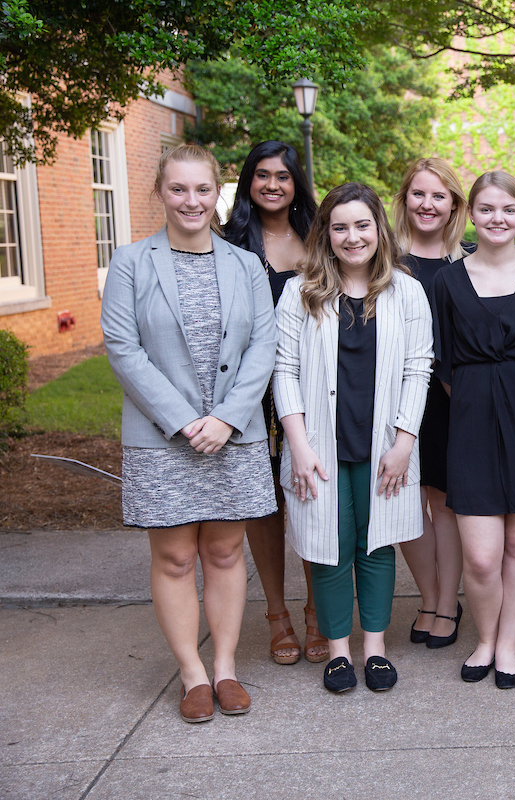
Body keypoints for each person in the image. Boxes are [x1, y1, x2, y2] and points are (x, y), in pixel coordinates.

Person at [101, 144, 278, 722]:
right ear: (160, 192)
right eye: (179, 189)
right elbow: (123, 350)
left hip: (235, 433)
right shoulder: (130, 262)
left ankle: (225, 666)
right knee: (176, 556)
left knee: (226, 551)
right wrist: (182, 420)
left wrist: (227, 417)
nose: (191, 201)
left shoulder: (246, 265)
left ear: (217, 193)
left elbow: (264, 347)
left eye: (202, 190)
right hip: (163, 439)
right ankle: (192, 672)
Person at [274, 182, 433, 694]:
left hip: (384, 447)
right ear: (326, 233)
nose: (352, 236)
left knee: (377, 543)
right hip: (319, 446)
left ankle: (375, 650)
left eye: (362, 225)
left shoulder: (406, 291)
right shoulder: (300, 292)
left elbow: (418, 369)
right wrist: (297, 445)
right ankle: (338, 652)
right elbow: (284, 371)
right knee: (329, 545)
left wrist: (405, 441)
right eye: (339, 226)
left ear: (378, 229)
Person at [433, 171, 515, 689]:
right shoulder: (447, 281)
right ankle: (484, 638)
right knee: (483, 555)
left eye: (508, 209)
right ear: (471, 215)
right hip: (469, 425)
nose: (497, 219)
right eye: (486, 209)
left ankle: (509, 645)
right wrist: (478, 401)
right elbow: (442, 363)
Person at [223, 140, 327, 666]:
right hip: (247, 392)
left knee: (308, 495)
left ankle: (316, 613)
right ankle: (277, 614)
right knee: (263, 505)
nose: (271, 184)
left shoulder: (320, 240)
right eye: (261, 175)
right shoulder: (230, 244)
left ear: (295, 184)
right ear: (248, 183)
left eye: (282, 176)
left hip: (307, 389)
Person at [392, 158, 471, 649]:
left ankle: (447, 603)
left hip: (448, 398)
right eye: (419, 194)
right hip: (394, 398)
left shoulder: (468, 261)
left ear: (454, 205)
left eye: (439, 196)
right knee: (402, 502)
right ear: (404, 201)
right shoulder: (385, 261)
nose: (428, 204)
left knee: (442, 504)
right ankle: (429, 597)